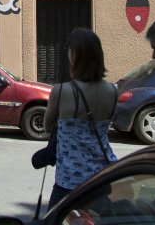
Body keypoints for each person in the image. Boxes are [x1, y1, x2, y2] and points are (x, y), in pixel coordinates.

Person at [43, 28, 117, 209]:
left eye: (69, 48)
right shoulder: (113, 91)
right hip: (102, 176)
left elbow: (46, 126)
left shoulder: (62, 91)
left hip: (69, 180)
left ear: (74, 55)